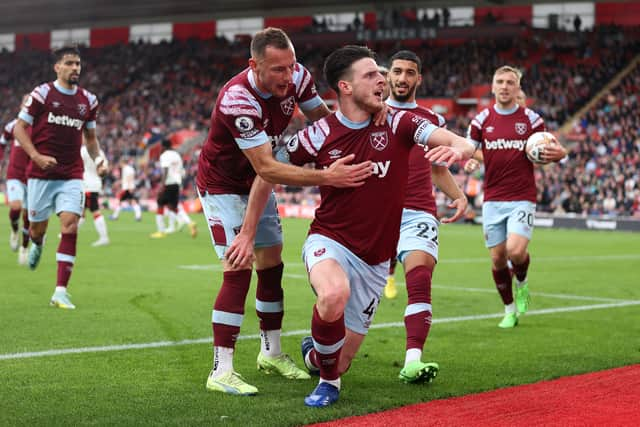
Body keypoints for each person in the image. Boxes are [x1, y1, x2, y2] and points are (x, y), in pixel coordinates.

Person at [258, 45, 473, 407]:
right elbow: (268, 167)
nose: (383, 80)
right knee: (333, 294)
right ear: (345, 87)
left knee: (339, 359)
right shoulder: (319, 133)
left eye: (381, 73)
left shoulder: (399, 122)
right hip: (331, 239)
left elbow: (449, 138)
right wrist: (324, 176)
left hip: (375, 260)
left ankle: (317, 357)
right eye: (372, 74)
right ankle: (328, 384)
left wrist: (462, 147)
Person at [196, 27, 374, 397]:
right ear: (254, 65)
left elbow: (325, 122)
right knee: (238, 265)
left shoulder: (299, 78)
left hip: (260, 183)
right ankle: (221, 369)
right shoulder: (237, 100)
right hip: (224, 187)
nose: (288, 76)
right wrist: (328, 176)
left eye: (291, 66)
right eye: (278, 69)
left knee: (271, 264)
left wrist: (357, 137)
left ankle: (271, 352)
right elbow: (267, 166)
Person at [380, 50, 468, 383]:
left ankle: (413, 361)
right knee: (350, 294)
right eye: (397, 72)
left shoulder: (432, 120)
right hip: (376, 215)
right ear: (388, 75)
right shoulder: (373, 113)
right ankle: (321, 352)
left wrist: (458, 196)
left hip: (418, 212)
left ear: (419, 78)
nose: (402, 78)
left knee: (419, 279)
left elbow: (437, 168)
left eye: (409, 73)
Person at [464, 66, 566, 328]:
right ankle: (509, 309)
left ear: (518, 88)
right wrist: (470, 161)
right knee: (498, 258)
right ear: (493, 85)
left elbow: (547, 152)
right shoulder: (480, 121)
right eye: (500, 81)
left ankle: (521, 281)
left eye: (511, 82)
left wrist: (559, 154)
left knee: (515, 250)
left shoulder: (532, 120)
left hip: (522, 196)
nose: (505, 86)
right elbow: (471, 149)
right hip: (493, 198)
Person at [13, 45, 107, 309]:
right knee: (37, 229)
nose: (75, 68)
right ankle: (37, 242)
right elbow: (19, 130)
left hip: (71, 173)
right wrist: (36, 157)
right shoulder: (42, 94)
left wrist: (99, 159)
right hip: (41, 174)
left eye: (78, 63)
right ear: (57, 67)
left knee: (70, 224)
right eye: (70, 63)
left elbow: (90, 138)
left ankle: (60, 291)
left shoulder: (88, 100)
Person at [1, 95, 31, 264]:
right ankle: (14, 230)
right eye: (25, 101)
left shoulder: (40, 127)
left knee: (28, 216)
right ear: (21, 105)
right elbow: (2, 142)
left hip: (33, 176)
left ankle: (24, 248)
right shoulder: (13, 126)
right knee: (16, 207)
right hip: (15, 173)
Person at [151, 138, 197, 238]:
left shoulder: (164, 155)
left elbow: (166, 170)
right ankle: (190, 223)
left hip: (168, 183)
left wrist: (162, 185)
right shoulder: (177, 155)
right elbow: (181, 171)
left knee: (160, 203)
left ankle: (161, 231)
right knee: (172, 207)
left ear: (163, 146)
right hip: (177, 183)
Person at [80, 144, 110, 246]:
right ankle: (67, 233)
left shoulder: (83, 150)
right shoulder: (100, 152)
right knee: (81, 211)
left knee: (95, 210)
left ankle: (104, 238)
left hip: (87, 184)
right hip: (94, 183)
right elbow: (104, 170)